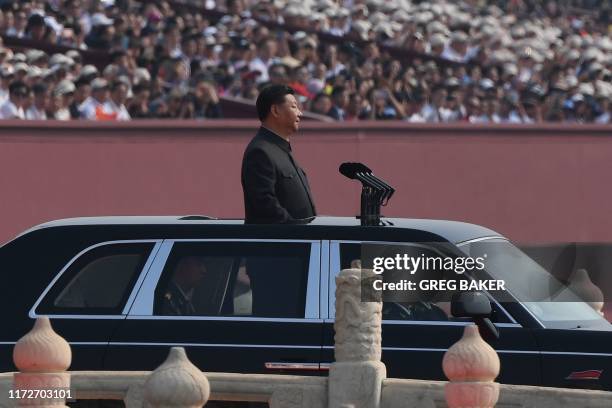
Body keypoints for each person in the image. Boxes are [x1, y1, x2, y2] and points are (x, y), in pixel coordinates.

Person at [241, 84, 316, 224]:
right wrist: (297, 231)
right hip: (282, 243)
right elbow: (265, 206)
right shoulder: (260, 152)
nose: (300, 113)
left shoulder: (280, 149)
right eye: (294, 107)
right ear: (275, 110)